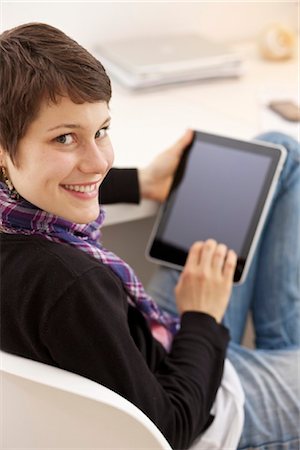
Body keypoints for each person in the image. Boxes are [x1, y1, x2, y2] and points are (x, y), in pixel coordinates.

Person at [0, 23, 299, 450]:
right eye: (65, 138)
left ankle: (282, 350)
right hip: (204, 412)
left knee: (281, 154)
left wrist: (141, 182)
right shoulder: (70, 285)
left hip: (149, 341)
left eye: (101, 130)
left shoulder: (19, 226)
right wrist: (203, 317)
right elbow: (167, 433)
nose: (99, 161)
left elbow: (62, 172)